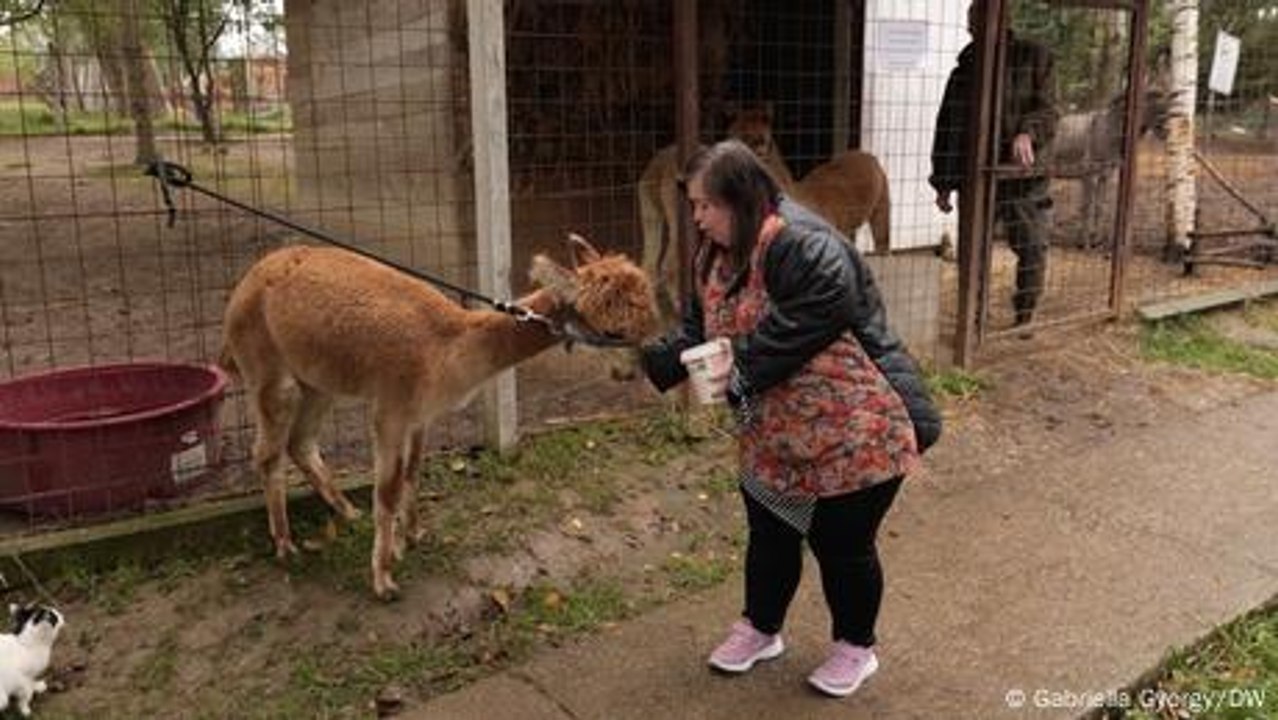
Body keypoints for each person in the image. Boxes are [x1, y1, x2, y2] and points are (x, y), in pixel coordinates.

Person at [639, 139, 932, 699]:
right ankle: (760, 629)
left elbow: (824, 303)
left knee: (840, 545)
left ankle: (855, 647)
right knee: (770, 534)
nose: (695, 218)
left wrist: (736, 365)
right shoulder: (714, 255)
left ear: (741, 199)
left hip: (853, 430)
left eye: (705, 205)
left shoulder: (802, 242)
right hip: (774, 431)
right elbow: (701, 327)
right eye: (694, 205)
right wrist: (649, 356)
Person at [930, 3, 1058, 328]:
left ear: (1003, 20)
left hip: (1022, 176)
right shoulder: (964, 69)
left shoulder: (1035, 57)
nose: (973, 27)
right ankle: (974, 314)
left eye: (980, 20)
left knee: (1032, 247)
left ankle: (1024, 315)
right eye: (971, 21)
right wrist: (943, 181)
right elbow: (947, 127)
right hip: (975, 177)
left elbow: (1048, 111)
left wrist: (1027, 133)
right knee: (973, 253)